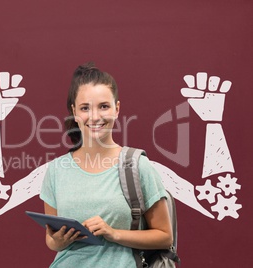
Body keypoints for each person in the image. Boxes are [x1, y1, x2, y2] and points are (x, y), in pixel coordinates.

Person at [40, 62, 173, 267]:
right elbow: (51, 240)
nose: (95, 116)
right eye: (85, 108)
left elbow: (165, 236)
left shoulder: (138, 166)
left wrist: (114, 233)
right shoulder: (56, 170)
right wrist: (57, 241)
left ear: (117, 109)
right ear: (75, 112)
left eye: (104, 106)